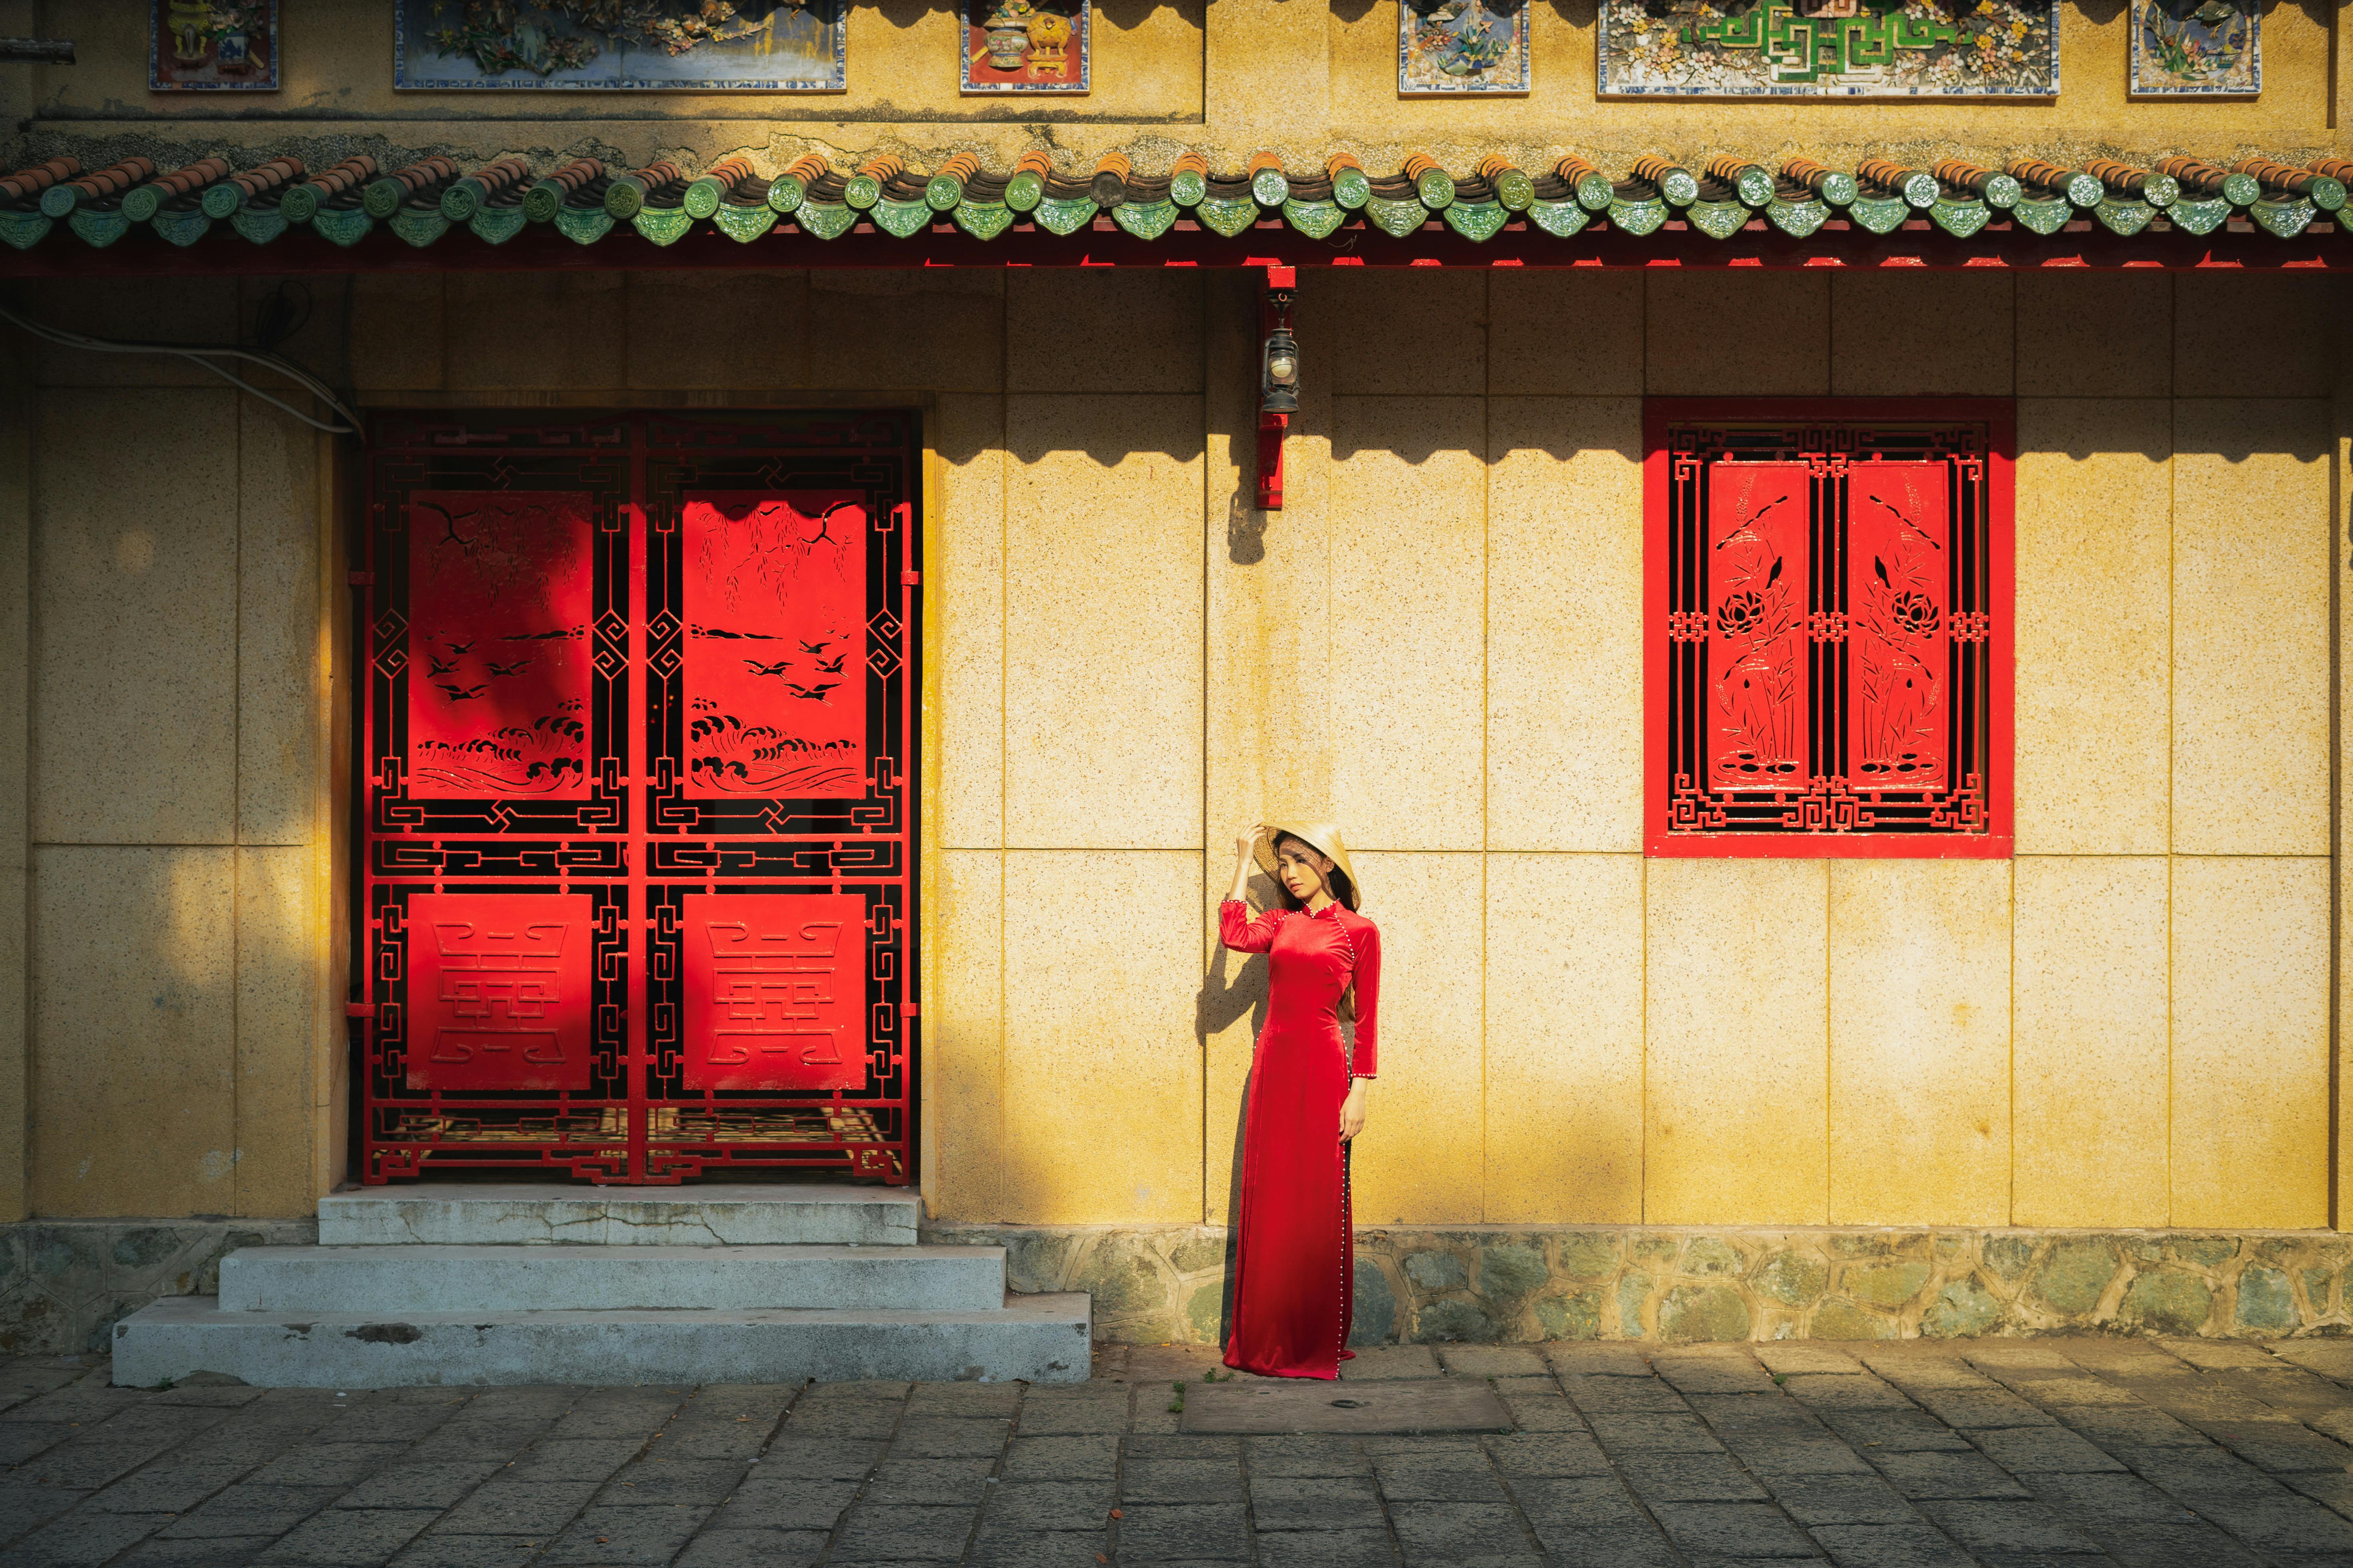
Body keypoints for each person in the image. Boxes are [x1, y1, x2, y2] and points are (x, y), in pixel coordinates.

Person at [1217, 822, 1382, 1380]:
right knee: (1271, 1195)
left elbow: (1368, 1019)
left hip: (1323, 1066)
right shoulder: (1281, 922)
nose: (1288, 872)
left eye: (1300, 860)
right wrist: (1243, 861)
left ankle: (1311, 1336)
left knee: (1315, 1198)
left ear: (1327, 864)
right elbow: (1234, 935)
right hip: (1273, 1063)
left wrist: (1359, 1091)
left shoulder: (1359, 930)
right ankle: (1265, 1336)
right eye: (1282, 861)